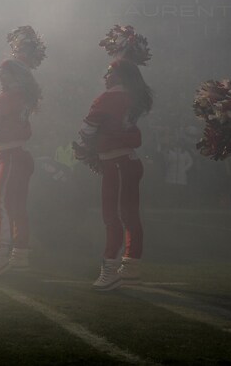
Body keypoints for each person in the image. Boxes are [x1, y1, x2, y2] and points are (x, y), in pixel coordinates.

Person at [73, 25, 152, 291]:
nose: (104, 76)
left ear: (116, 74)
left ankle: (110, 268)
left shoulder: (108, 97)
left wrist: (91, 147)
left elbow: (86, 130)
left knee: (112, 216)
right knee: (130, 216)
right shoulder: (135, 95)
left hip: (115, 163)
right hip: (129, 161)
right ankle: (130, 268)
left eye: (108, 72)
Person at [0, 26, 44, 277]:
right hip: (21, 155)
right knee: (17, 207)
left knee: (2, 205)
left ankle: (0, 254)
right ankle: (20, 255)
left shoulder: (6, 98)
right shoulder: (24, 97)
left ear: (13, 75)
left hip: (10, 157)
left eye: (3, 73)